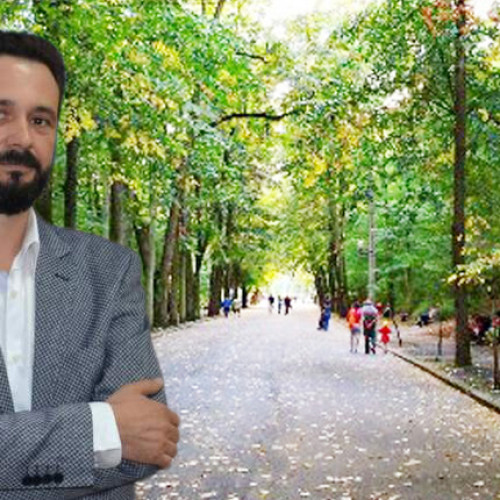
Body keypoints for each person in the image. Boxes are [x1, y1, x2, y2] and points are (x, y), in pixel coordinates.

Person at [0, 31, 179, 498]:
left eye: (41, 120)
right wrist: (101, 430)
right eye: (1, 113)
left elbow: (148, 444)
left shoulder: (110, 272)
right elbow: (123, 441)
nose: (22, 137)